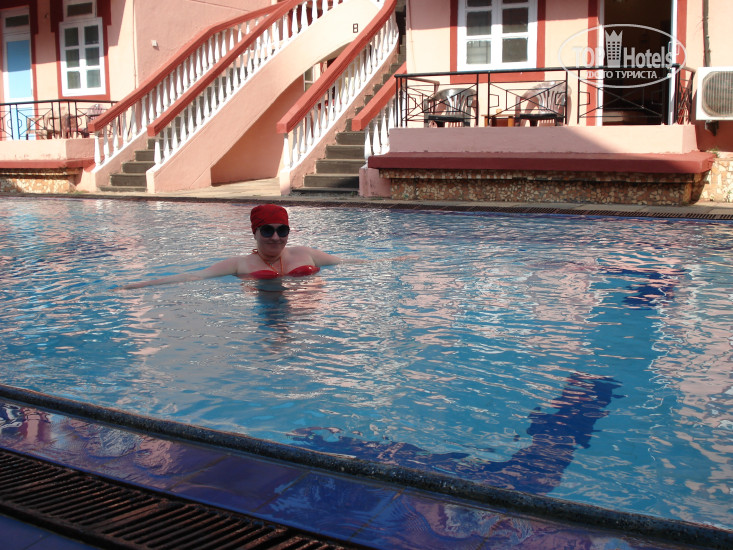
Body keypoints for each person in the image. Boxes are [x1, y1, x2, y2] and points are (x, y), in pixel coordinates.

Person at [117, 204, 368, 290]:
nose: (276, 237)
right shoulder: (240, 264)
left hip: (309, 317)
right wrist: (138, 285)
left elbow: (350, 264)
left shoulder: (306, 253)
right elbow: (195, 276)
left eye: (282, 230)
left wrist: (393, 261)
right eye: (267, 230)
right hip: (269, 315)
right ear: (254, 232)